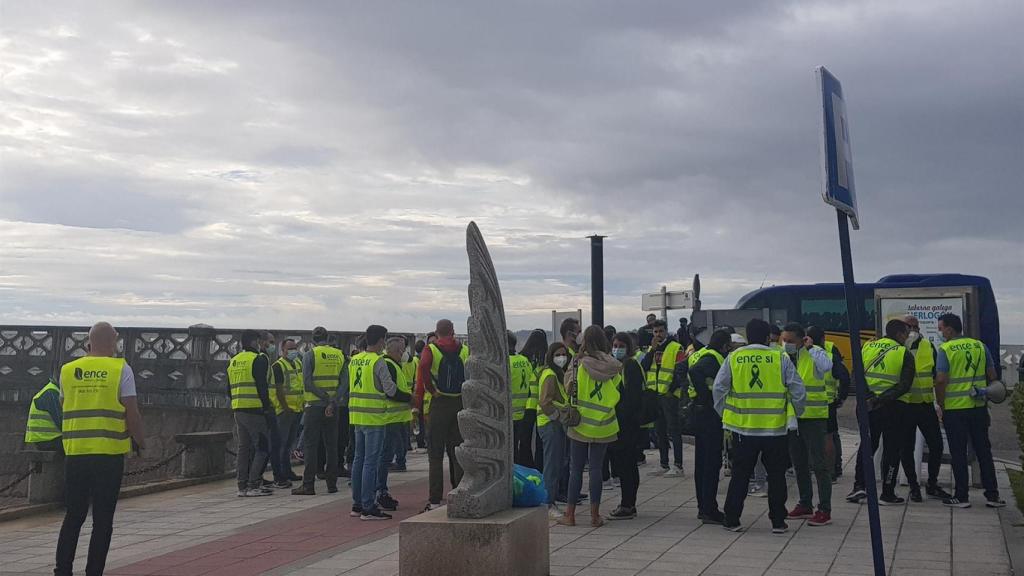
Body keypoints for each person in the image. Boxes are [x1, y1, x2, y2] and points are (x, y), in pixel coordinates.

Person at [55, 322, 146, 576]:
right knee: (103, 520)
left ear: (89, 342)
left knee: (73, 516)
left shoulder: (68, 370)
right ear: (113, 341)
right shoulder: (121, 369)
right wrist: (140, 441)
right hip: (108, 455)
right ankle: (94, 571)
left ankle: (62, 570)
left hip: (76, 453)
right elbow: (132, 412)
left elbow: (64, 404)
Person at [715, 318, 806, 534]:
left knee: (740, 475)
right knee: (776, 476)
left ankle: (732, 519)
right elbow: (798, 391)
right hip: (774, 429)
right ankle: (777, 521)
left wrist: (726, 415)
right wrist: (795, 415)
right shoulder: (780, 357)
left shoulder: (734, 356)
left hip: (742, 429)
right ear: (768, 338)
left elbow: (719, 388)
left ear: (747, 336)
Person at [934, 313, 1005, 508]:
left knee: (958, 453)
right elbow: (993, 375)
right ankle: (993, 495)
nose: (940, 332)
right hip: (978, 407)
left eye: (941, 328)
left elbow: (940, 380)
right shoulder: (980, 346)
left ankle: (961, 496)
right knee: (983, 451)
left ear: (949, 329)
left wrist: (941, 404)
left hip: (955, 410)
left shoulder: (946, 349)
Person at [558, 326, 622, 528]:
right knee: (596, 469)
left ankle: (570, 514)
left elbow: (568, 387)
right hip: (604, 424)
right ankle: (595, 516)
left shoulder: (578, 363)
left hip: (580, 422)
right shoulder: (614, 365)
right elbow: (618, 389)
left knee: (576, 470)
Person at [847, 319, 915, 505]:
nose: (908, 337)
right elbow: (905, 384)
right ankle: (887, 492)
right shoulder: (904, 353)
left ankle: (859, 486)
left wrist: (869, 396)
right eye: (906, 334)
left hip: (867, 405)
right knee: (892, 449)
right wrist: (882, 399)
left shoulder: (867, 347)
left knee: (868, 445)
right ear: (900, 334)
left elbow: (856, 374)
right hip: (894, 407)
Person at [347, 326, 410, 520]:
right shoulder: (378, 361)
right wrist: (410, 397)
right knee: (371, 463)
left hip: (357, 416)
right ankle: (368, 506)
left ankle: (357, 504)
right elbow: (390, 390)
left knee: (358, 460)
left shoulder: (355, 359)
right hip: (374, 417)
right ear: (382, 340)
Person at [780, 323, 834, 527]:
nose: (786, 344)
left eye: (790, 341)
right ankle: (805, 503)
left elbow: (827, 366)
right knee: (799, 463)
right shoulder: (784, 356)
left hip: (813, 417)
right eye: (783, 340)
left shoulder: (815, 353)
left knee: (818, 464)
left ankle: (824, 508)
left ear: (802, 340)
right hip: (793, 419)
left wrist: (811, 348)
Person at [896, 316, 953, 502]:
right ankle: (914, 486)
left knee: (936, 445)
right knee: (906, 447)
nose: (912, 330)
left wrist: (938, 404)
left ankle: (932, 484)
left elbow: (936, 376)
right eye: (909, 327)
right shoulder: (898, 348)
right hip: (905, 406)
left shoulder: (929, 346)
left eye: (915, 327)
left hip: (926, 405)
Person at [416, 319, 468, 511]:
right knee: (458, 451)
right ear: (453, 331)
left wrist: (431, 389)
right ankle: (460, 491)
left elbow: (422, 368)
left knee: (435, 454)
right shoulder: (464, 350)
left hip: (440, 402)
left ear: (437, 333)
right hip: (459, 402)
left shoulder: (431, 349)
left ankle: (435, 499)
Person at [292, 326, 345, 495]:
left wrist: (324, 398)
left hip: (314, 406)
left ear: (313, 339)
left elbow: (307, 382)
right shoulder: (339, 355)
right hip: (333, 407)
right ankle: (332, 483)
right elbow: (345, 383)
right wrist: (333, 400)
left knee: (311, 446)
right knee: (332, 446)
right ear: (328, 337)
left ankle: (308, 484)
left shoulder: (310, 355)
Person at [688, 329, 731, 524]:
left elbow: (684, 369)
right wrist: (706, 396)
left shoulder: (701, 353)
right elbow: (694, 371)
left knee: (703, 463)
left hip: (701, 413)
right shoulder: (713, 358)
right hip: (709, 414)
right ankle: (708, 509)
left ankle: (704, 507)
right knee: (710, 463)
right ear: (724, 345)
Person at [229, 329, 274, 497]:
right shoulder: (259, 359)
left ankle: (242, 486)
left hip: (238, 408)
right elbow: (262, 386)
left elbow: (228, 388)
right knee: (262, 447)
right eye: (260, 340)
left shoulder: (234, 361)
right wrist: (267, 408)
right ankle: (254, 484)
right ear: (254, 342)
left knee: (243, 448)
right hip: (255, 410)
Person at [640, 319, 687, 476]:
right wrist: (652, 350)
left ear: (666, 331)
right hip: (655, 394)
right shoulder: (652, 349)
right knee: (659, 430)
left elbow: (681, 370)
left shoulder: (676, 347)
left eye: (660, 331)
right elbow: (645, 367)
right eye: (655, 332)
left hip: (669, 395)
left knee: (674, 430)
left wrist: (671, 389)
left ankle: (678, 465)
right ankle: (663, 463)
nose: (658, 334)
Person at [805, 326, 851, 481]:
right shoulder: (830, 353)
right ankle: (831, 472)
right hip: (827, 401)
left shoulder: (801, 352)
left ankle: (810, 468)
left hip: (804, 402)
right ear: (823, 338)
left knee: (806, 438)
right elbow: (844, 377)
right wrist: (841, 397)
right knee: (829, 437)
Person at [607, 333, 644, 520]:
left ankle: (628, 504)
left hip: (626, 424)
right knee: (624, 465)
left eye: (620, 345)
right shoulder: (620, 367)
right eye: (614, 345)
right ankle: (627, 502)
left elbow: (632, 397)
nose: (617, 349)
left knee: (627, 465)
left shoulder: (630, 366)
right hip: (620, 423)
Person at [537, 342, 570, 518]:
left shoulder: (557, 374)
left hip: (553, 423)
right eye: (557, 354)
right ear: (551, 356)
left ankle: (550, 500)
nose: (561, 358)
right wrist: (558, 416)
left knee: (556, 463)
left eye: (563, 354)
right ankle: (548, 502)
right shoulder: (550, 375)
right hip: (550, 424)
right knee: (552, 464)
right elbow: (544, 402)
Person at [271, 338, 305, 484]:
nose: (292, 351)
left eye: (294, 348)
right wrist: (285, 408)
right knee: (282, 444)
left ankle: (287, 471)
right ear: (282, 350)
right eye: (289, 349)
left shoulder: (297, 363)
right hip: (284, 411)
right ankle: (280, 475)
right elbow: (279, 391)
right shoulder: (278, 366)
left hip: (297, 408)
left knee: (290, 443)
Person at [519, 329, 548, 470]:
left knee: (524, 441)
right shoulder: (545, 361)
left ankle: (527, 466)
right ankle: (539, 468)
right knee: (540, 442)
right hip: (541, 405)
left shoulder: (523, 358)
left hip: (526, 405)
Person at [508, 331, 535, 467]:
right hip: (525, 411)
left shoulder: (505, 364)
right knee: (524, 447)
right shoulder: (524, 360)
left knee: (511, 451)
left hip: (510, 414)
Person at [24, 379, 63, 453]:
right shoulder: (51, 393)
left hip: (43, 439)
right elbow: (61, 422)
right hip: (48, 440)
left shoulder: (51, 390)